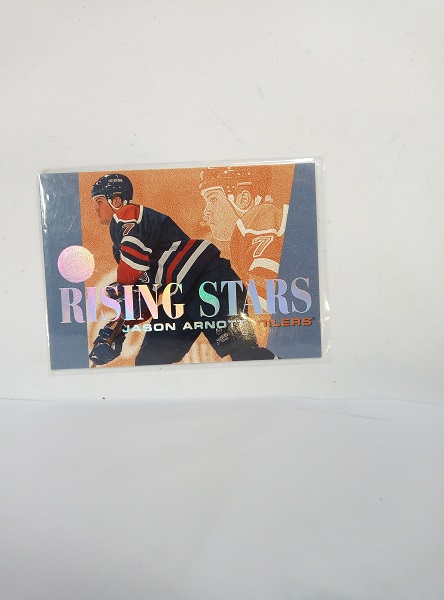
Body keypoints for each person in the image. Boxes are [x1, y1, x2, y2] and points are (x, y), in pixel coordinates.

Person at [89, 173, 275, 366]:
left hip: (205, 278)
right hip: (178, 295)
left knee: (243, 351)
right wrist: (116, 331)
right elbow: (145, 296)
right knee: (149, 360)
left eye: (99, 201)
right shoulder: (119, 248)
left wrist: (125, 291)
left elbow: (134, 260)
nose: (95, 208)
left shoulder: (127, 214)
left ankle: (277, 371)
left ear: (116, 201)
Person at [199, 165, 289, 311]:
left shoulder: (263, 216)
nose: (206, 211)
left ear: (243, 199)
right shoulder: (249, 233)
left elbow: (264, 308)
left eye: (213, 199)